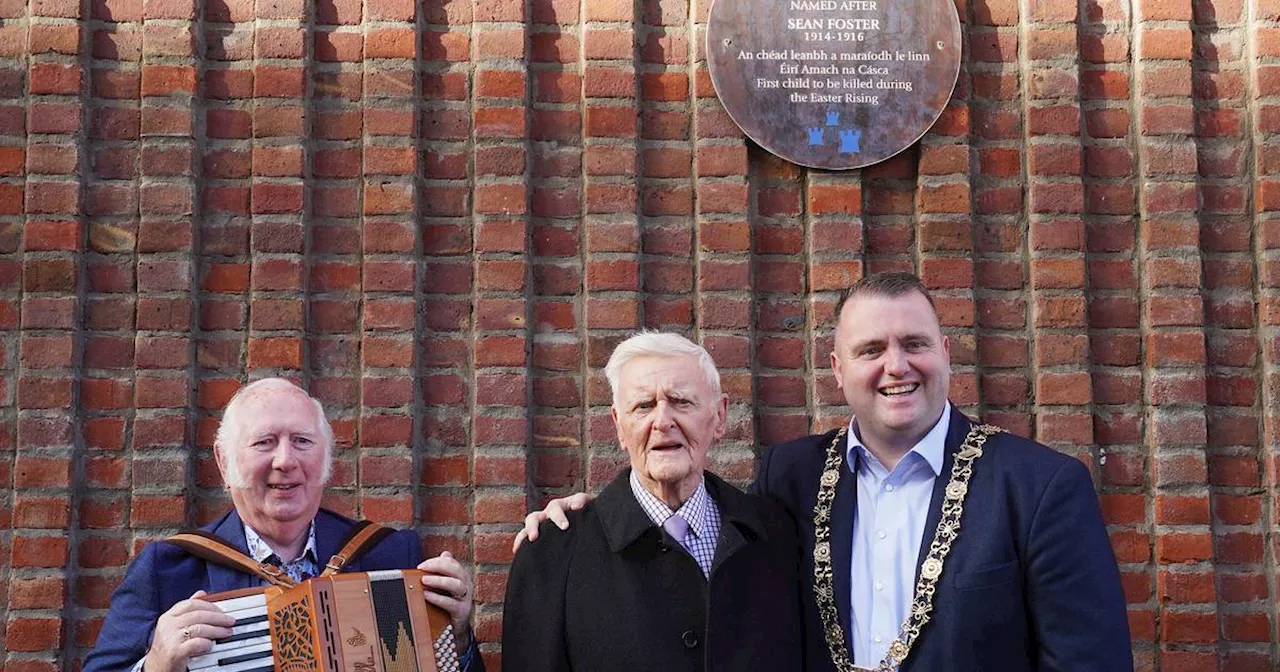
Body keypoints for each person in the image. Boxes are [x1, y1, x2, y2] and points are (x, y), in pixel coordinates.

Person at [517, 272, 1133, 672]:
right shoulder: (793, 480)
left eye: (915, 344)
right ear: (838, 370)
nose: (896, 366)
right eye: (871, 350)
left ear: (945, 355)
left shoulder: (1039, 487)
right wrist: (582, 520)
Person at [84, 378, 484, 672]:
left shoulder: (389, 556)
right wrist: (155, 665)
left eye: (303, 442)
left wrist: (458, 635)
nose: (285, 461)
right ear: (225, 462)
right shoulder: (168, 569)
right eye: (264, 442)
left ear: (325, 461)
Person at [502, 332, 804, 671]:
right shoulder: (552, 554)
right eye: (643, 406)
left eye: (682, 402)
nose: (662, 421)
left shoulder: (778, 536)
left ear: (719, 417)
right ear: (618, 426)